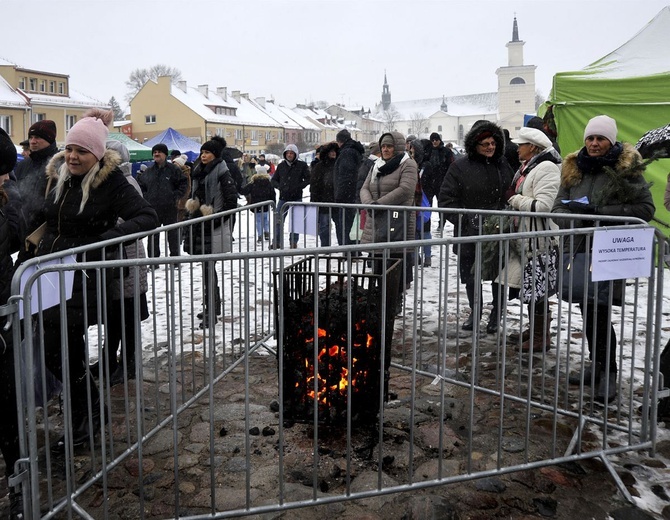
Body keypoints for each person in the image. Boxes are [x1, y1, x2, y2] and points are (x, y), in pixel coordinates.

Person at [36, 109, 159, 448]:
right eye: (70, 149)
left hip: (83, 281)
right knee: (58, 354)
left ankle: (84, 424)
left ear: (98, 154)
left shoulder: (111, 181)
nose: (73, 156)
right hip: (50, 277)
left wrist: (106, 238)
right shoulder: (62, 175)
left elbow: (147, 216)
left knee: (62, 353)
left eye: (82, 151)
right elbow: (47, 217)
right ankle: (90, 412)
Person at [552, 115, 655, 403]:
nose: (594, 143)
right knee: (588, 310)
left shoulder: (625, 169)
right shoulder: (573, 169)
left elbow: (645, 208)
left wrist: (602, 212)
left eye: (600, 138)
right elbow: (557, 208)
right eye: (590, 138)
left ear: (611, 140)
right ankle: (596, 366)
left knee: (599, 311)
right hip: (580, 249)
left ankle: (607, 372)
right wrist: (578, 217)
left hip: (610, 251)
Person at [438, 120, 514, 334]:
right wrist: (465, 219)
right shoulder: (459, 167)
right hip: (469, 232)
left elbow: (511, 193)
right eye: (485, 144)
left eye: (493, 143)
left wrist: (505, 215)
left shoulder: (503, 164)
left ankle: (496, 313)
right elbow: (446, 199)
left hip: (499, 231)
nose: (490, 147)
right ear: (475, 145)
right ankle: (476, 309)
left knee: (499, 275)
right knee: (472, 275)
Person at [496, 127, 562, 351]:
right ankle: (536, 329)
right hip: (527, 239)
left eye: (521, 144)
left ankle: (541, 336)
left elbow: (543, 206)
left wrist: (514, 199)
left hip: (540, 241)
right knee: (531, 288)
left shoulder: (547, 168)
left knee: (538, 289)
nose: (516, 149)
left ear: (532, 147)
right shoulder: (529, 166)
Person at [93, 140, 151, 387]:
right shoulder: (112, 182)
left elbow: (129, 218)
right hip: (117, 259)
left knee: (126, 317)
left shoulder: (126, 182)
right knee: (115, 315)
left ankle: (129, 365)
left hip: (126, 259)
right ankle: (109, 360)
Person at [359, 131, 418, 313]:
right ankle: (380, 297)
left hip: (397, 220)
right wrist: (370, 204)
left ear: (397, 147)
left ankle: (395, 299)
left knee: (395, 262)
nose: (385, 149)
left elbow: (405, 189)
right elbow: (365, 187)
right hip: (376, 220)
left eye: (389, 146)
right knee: (377, 262)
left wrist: (379, 205)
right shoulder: (377, 165)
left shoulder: (407, 164)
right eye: (383, 146)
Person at [184, 137, 238, 328]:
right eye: (202, 152)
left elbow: (232, 202)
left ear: (215, 154)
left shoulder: (223, 173)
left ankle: (212, 311)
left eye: (207, 152)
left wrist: (215, 220)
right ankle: (213, 307)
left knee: (209, 269)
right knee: (207, 269)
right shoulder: (199, 171)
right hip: (200, 226)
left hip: (212, 226)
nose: (203, 155)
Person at [0, 128, 23, 517]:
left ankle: (17, 484)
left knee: (7, 409)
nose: (5, 177)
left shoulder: (4, 204)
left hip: (2, 321)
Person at [14, 120, 59, 255]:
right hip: (23, 234)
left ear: (50, 139)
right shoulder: (23, 165)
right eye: (31, 137)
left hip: (48, 236)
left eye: (38, 137)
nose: (32, 141)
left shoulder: (60, 164)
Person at [137, 143, 188, 260]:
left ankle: (175, 259)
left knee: (172, 234)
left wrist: (176, 195)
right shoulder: (149, 171)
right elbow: (141, 185)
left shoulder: (173, 169)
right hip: (153, 208)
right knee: (153, 235)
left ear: (165, 154)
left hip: (169, 207)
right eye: (154, 152)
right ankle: (153, 259)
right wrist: (146, 196)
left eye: (159, 152)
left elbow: (183, 182)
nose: (156, 154)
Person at [271, 144, 310, 249]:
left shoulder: (302, 165)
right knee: (278, 221)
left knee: (296, 222)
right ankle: (277, 241)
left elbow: (308, 179)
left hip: (296, 197)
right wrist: (280, 187)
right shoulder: (281, 166)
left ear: (295, 154)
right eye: (288, 153)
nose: (289, 155)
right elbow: (274, 179)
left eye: (291, 153)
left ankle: (293, 241)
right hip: (283, 198)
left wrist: (299, 186)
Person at [333, 129, 365, 246]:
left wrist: (340, 195)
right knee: (351, 225)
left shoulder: (347, 153)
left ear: (340, 141)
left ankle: (350, 250)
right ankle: (353, 249)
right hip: (352, 194)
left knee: (347, 225)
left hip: (347, 196)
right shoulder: (354, 151)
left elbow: (346, 176)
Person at [408, 139, 435, 267]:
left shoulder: (426, 165)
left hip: (423, 201)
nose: (410, 151)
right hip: (413, 201)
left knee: (425, 229)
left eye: (412, 149)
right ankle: (415, 256)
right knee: (413, 230)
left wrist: (427, 197)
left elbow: (430, 183)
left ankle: (427, 257)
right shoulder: (409, 164)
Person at [309, 142, 339, 246]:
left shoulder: (338, 165)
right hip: (323, 200)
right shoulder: (319, 167)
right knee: (324, 225)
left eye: (335, 151)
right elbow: (314, 185)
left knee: (340, 225)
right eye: (331, 151)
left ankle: (343, 247)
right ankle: (325, 247)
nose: (333, 153)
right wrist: (314, 200)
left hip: (337, 200)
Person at [239, 163, 276, 242]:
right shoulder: (269, 183)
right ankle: (267, 233)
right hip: (266, 205)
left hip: (256, 205)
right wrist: (273, 203)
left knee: (258, 220)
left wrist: (238, 185)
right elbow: (273, 194)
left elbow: (244, 191)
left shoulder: (253, 183)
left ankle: (260, 235)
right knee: (266, 219)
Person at [427, 132, 455, 237]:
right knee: (428, 205)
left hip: (442, 182)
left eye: (436, 140)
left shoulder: (446, 152)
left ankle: (441, 223)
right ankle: (427, 223)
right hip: (430, 183)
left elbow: (451, 166)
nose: (434, 142)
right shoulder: (428, 151)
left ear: (439, 140)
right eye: (432, 140)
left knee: (441, 204)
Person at [173, 155, 192, 223]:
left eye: (175, 164)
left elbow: (186, 190)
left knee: (180, 221)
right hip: (177, 202)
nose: (174, 166)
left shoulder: (185, 175)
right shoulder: (176, 173)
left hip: (181, 202)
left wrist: (180, 201)